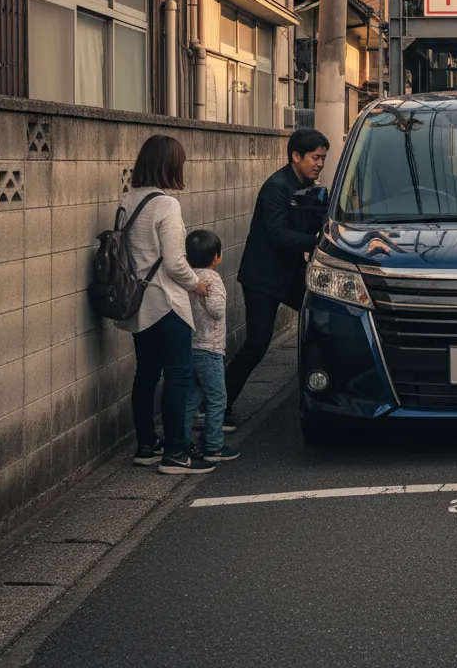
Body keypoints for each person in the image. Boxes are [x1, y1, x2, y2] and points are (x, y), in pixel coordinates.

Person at [119, 135, 216, 476]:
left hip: (138, 303)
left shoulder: (128, 200)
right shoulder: (167, 205)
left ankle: (147, 446)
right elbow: (175, 263)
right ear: (170, 165)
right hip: (166, 304)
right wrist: (197, 285)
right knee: (178, 376)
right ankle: (176, 453)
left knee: (146, 373)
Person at [224, 128, 330, 427]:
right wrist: (318, 241)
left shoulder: (307, 185)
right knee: (257, 345)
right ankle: (217, 407)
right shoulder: (277, 186)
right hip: (262, 278)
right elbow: (278, 234)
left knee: (323, 318)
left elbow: (317, 221)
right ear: (296, 156)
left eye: (323, 158)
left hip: (289, 274)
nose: (320, 164)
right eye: (315, 158)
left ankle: (325, 387)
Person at [183, 229, 239, 462]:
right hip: (210, 349)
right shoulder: (212, 279)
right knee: (217, 398)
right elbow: (216, 311)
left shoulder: (187, 277)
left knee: (191, 398)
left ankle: (182, 442)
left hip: (191, 346)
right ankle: (214, 445)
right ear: (217, 257)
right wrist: (205, 296)